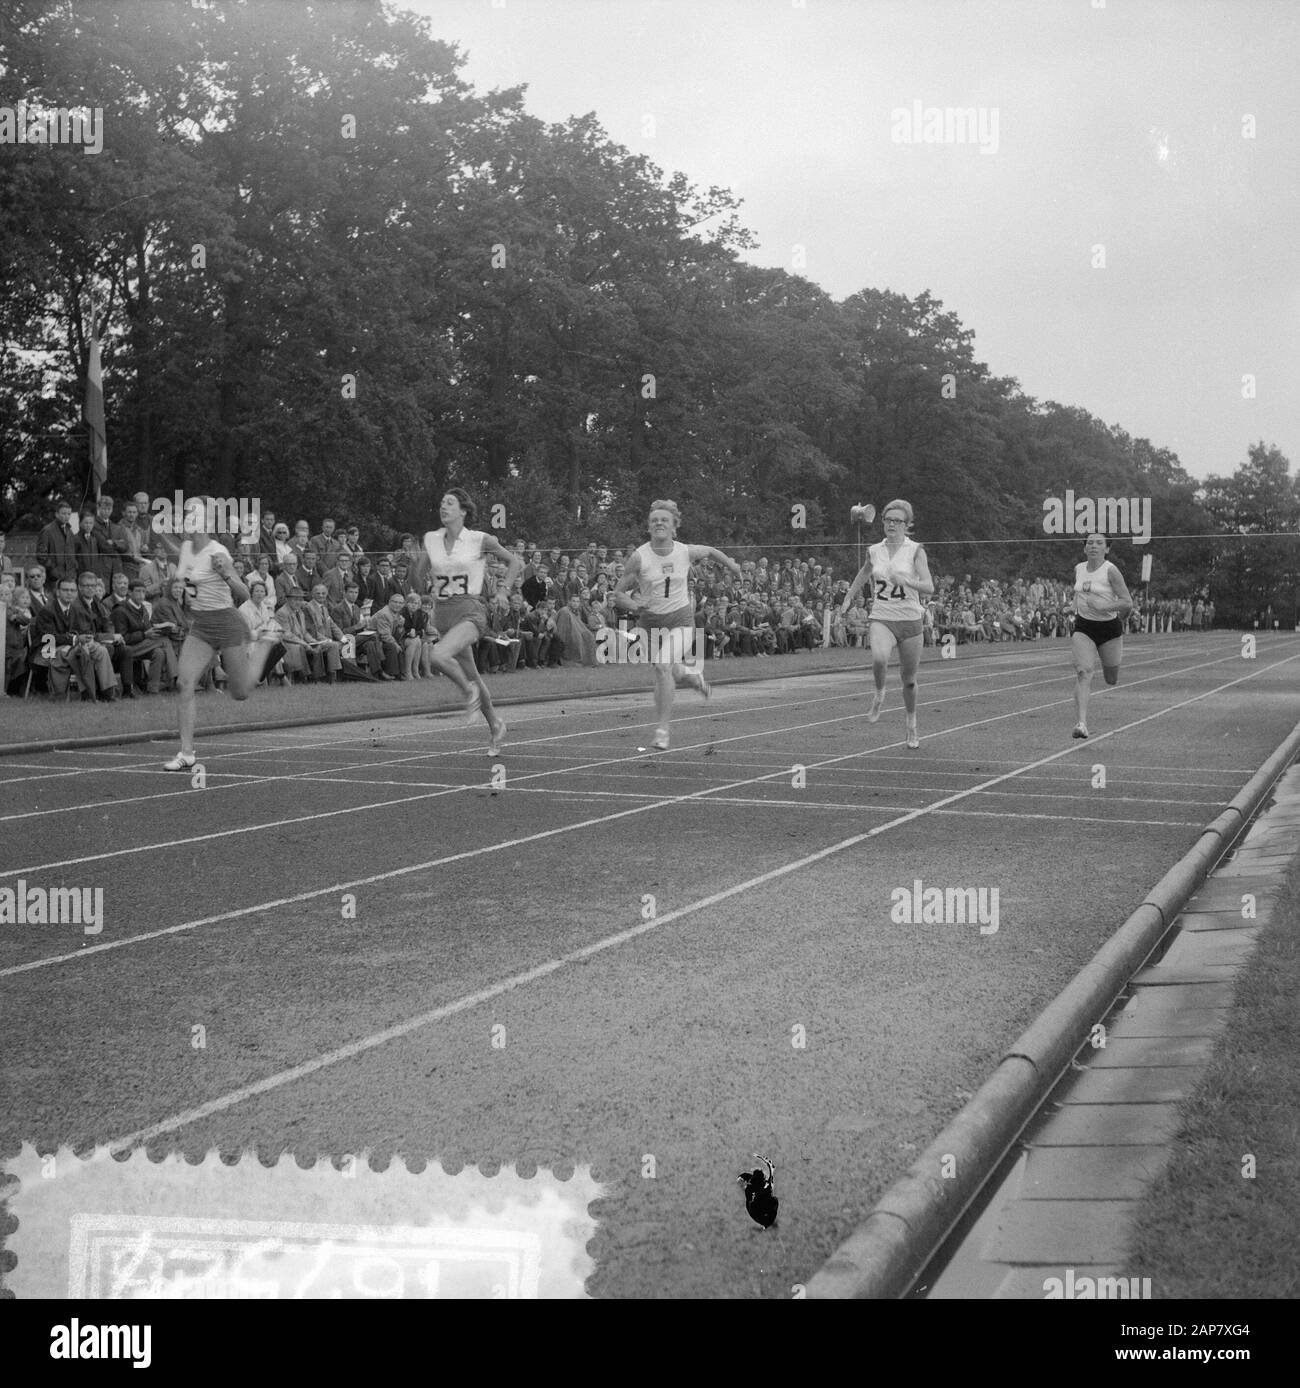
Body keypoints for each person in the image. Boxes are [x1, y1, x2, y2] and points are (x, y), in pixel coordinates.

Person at [612, 499, 743, 751]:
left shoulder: (685, 551)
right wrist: (634, 605)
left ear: (674, 528)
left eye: (664, 520)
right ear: (648, 528)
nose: (659, 523)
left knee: (662, 666)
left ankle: (662, 730)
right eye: (654, 521)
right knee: (670, 671)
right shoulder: (639, 557)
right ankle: (691, 676)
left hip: (680, 621)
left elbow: (712, 551)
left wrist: (732, 565)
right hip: (650, 624)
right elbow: (618, 593)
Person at [159, 498, 259, 769]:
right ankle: (187, 753)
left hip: (228, 623)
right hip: (201, 626)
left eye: (190, 516)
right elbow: (180, 585)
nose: (185, 521)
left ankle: (263, 654)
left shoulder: (219, 551)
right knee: (184, 683)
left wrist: (226, 573)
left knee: (240, 693)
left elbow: (245, 594)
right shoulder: (186, 549)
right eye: (184, 515)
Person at [423, 488, 519, 753]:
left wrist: (502, 591)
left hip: (470, 611)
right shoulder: (431, 540)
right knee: (473, 673)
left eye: (450, 503)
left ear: (463, 511)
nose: (444, 507)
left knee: (437, 656)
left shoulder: (479, 539)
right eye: (442, 502)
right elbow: (417, 573)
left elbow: (514, 562)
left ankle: (468, 693)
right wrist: (423, 582)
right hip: (442, 615)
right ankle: (496, 725)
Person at [841, 499, 935, 750]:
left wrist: (906, 580)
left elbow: (929, 586)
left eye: (897, 521)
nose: (892, 524)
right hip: (882, 616)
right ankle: (880, 694)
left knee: (910, 681)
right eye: (888, 520)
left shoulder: (915, 551)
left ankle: (911, 725)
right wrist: (849, 596)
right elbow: (864, 572)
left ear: (907, 525)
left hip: (910, 620)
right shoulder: (875, 550)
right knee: (880, 658)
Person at [1070, 531, 1133, 739]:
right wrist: (1071, 606)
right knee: (1083, 672)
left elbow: (1127, 603)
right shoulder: (1079, 568)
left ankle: (1082, 716)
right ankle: (1081, 723)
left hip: (1109, 629)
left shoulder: (1111, 571)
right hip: (1084, 627)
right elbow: (1079, 593)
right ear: (1084, 548)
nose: (1093, 546)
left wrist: (1104, 605)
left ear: (1107, 549)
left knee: (1111, 678)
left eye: (1099, 543)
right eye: (1090, 543)